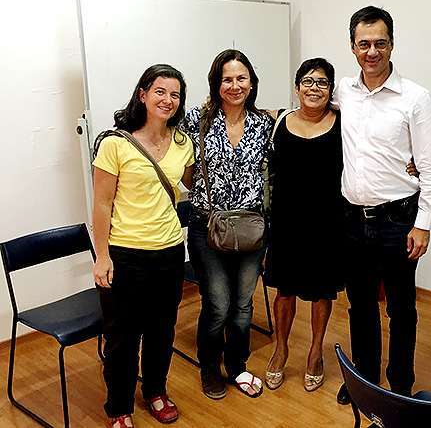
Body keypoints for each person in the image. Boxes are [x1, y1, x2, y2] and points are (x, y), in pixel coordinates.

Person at [334, 6, 431, 404]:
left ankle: (400, 388)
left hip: (398, 220)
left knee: (401, 309)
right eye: (363, 44)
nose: (372, 52)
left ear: (392, 45)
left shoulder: (416, 98)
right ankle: (365, 382)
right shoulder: (343, 91)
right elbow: (309, 111)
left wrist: (423, 223)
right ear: (352, 47)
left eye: (380, 43)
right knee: (360, 306)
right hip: (352, 219)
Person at [92, 64, 195, 428]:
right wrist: (102, 256)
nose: (168, 100)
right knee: (122, 337)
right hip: (125, 254)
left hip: (169, 251)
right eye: (160, 91)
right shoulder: (114, 143)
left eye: (175, 94)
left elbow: (189, 184)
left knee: (162, 330)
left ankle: (155, 390)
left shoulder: (183, 143)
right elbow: (101, 204)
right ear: (143, 94)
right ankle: (119, 406)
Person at [181, 49, 272, 400]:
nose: (235, 86)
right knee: (217, 303)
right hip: (207, 228)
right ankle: (209, 367)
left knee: (243, 305)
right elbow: (180, 164)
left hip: (251, 229)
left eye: (241, 78)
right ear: (216, 84)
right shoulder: (197, 120)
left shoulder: (264, 124)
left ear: (252, 82)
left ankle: (237, 366)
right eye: (227, 79)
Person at [263, 58, 344, 392]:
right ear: (297, 87)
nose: (314, 88)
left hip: (328, 223)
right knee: (285, 290)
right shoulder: (280, 121)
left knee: (321, 292)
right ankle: (281, 349)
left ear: (331, 90)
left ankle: (315, 351)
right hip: (287, 223)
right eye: (308, 81)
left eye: (322, 82)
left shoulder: (344, 123)